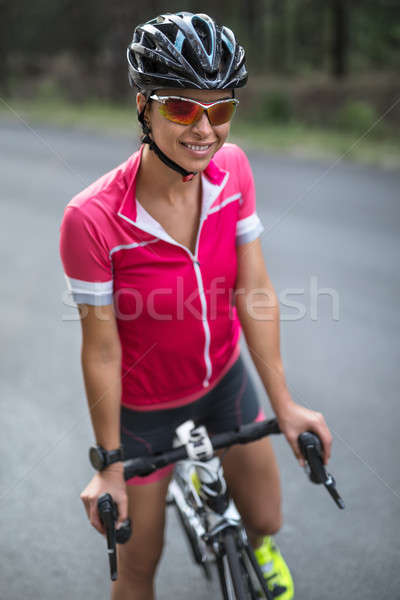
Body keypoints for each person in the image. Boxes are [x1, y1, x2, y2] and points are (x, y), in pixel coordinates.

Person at [59, 11, 332, 600]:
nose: (204, 129)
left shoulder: (233, 171)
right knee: (138, 568)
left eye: (222, 108)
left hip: (224, 384)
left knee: (265, 520)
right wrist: (109, 462)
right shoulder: (92, 219)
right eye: (182, 107)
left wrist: (284, 405)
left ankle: (257, 550)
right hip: (145, 411)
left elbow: (253, 291)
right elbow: (101, 349)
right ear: (143, 106)